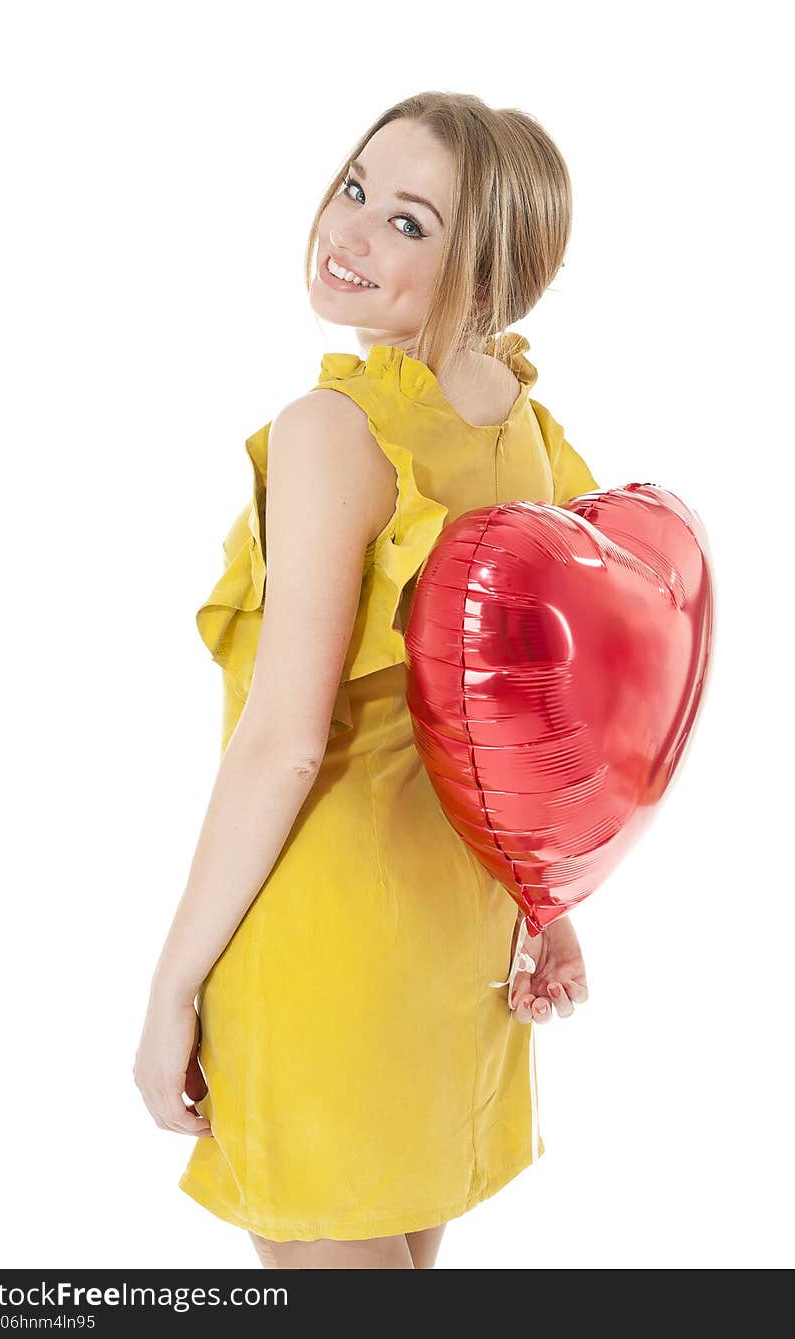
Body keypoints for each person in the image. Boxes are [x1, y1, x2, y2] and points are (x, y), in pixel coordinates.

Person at [134, 91, 595, 1271]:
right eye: (355, 188)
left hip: (327, 946)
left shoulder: (334, 429)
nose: (350, 233)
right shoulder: (522, 426)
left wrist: (172, 985)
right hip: (457, 936)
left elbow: (286, 742)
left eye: (409, 223)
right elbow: (539, 713)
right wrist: (543, 905)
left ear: (487, 281)